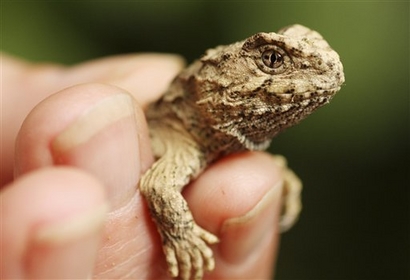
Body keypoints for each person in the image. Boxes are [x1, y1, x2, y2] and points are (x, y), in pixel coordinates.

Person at [1, 52, 285, 279]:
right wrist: (181, 236)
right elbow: (159, 185)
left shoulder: (216, 142)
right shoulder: (186, 140)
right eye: (273, 60)